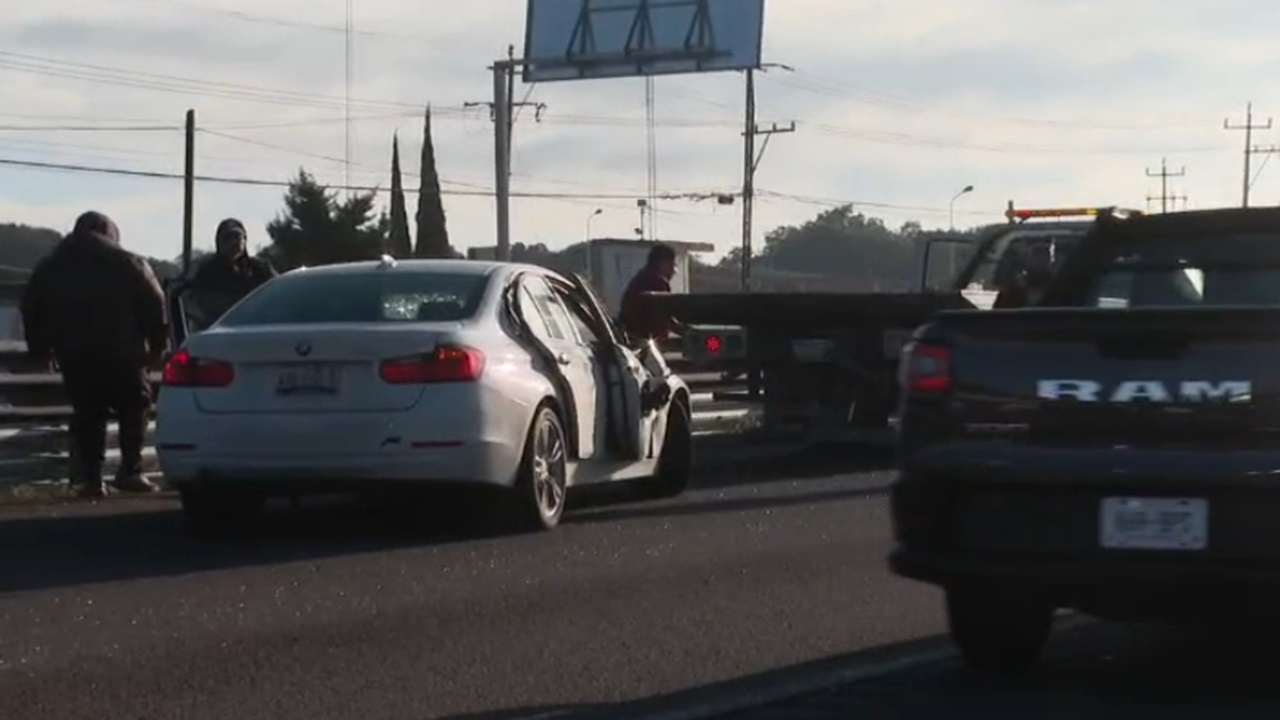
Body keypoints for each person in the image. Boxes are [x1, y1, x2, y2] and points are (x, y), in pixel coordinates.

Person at [20, 211, 168, 497]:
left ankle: (90, 478)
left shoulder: (52, 266)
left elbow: (31, 307)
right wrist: (158, 347)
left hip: (75, 353)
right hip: (123, 351)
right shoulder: (128, 262)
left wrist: (40, 349)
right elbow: (155, 302)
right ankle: (131, 471)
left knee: (88, 414)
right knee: (134, 407)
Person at [617, 243, 684, 344]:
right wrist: (687, 333)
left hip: (631, 338)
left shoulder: (640, 278)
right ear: (663, 263)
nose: (672, 272)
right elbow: (666, 317)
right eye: (671, 265)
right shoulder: (658, 283)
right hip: (647, 343)